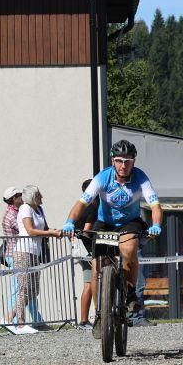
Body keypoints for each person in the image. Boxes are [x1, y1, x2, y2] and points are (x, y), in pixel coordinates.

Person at [61, 139, 163, 329]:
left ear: (133, 161)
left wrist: (156, 224)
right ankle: (100, 314)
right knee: (96, 267)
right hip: (105, 223)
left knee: (129, 248)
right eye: (119, 161)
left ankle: (130, 293)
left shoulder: (141, 178)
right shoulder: (102, 177)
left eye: (128, 161)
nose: (124, 165)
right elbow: (82, 203)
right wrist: (70, 222)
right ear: (113, 161)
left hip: (129, 222)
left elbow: (155, 205)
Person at [9, 185, 63, 334]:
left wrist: (56, 232)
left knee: (33, 289)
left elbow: (44, 229)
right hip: (23, 251)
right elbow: (30, 230)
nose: (42, 196)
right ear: (32, 197)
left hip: (35, 252)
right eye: (39, 194)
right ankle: (20, 324)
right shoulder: (25, 208)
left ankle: (8, 317)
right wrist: (51, 234)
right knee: (24, 288)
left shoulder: (39, 209)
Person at [1, 186, 44, 326]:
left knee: (30, 289)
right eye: (19, 195)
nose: (22, 196)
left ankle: (35, 319)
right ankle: (14, 322)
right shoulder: (12, 214)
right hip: (16, 253)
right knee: (19, 289)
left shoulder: (22, 210)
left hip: (29, 251)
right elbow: (26, 229)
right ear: (13, 198)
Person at [74, 179, 99, 331]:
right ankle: (84, 320)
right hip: (88, 250)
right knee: (89, 284)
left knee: (89, 284)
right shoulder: (92, 208)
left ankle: (85, 320)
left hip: (81, 249)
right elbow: (87, 231)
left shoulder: (79, 207)